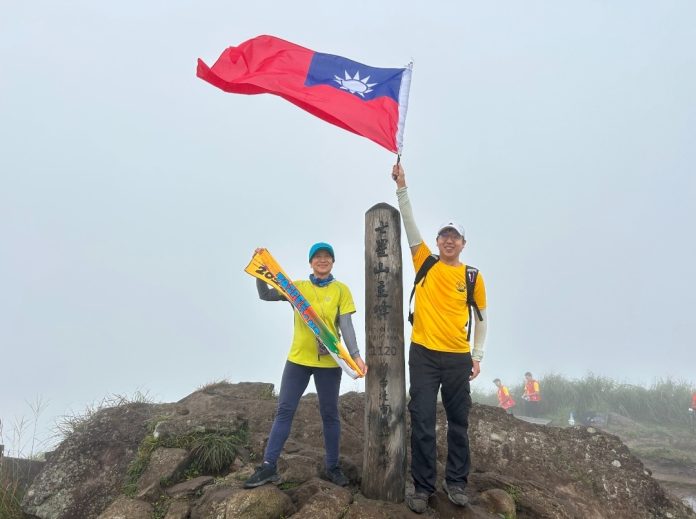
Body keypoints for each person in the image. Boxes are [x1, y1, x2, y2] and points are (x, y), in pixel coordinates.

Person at [392, 163, 488, 514]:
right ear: (437, 241)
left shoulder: (474, 276)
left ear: (463, 243)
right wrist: (402, 187)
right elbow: (408, 223)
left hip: (457, 358)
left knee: (459, 422)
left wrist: (477, 356)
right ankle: (422, 486)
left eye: (455, 237)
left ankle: (457, 483)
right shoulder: (425, 262)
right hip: (423, 355)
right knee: (421, 420)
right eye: (444, 235)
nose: (449, 240)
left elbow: (481, 319)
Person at [244, 243, 368, 489]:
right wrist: (262, 270)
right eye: (317, 257)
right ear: (310, 262)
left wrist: (356, 356)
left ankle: (333, 467)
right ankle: (268, 466)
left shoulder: (341, 290)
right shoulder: (297, 289)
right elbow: (265, 294)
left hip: (330, 362)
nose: (322, 260)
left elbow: (346, 326)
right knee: (284, 410)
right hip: (298, 360)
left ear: (333, 262)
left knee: (330, 415)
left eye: (327, 257)